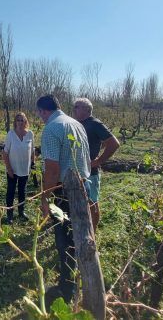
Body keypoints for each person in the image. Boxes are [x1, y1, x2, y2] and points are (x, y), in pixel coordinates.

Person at [36, 94, 92, 304]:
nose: (40, 118)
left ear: (43, 110)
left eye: (39, 113)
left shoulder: (52, 128)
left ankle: (67, 287)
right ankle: (78, 278)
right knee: (79, 235)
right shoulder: (77, 125)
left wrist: (44, 198)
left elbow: (52, 169)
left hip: (63, 191)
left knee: (64, 239)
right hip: (82, 187)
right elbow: (85, 159)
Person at [72, 98, 120, 227]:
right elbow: (102, 142)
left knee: (92, 203)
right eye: (75, 106)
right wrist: (98, 147)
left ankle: (93, 235)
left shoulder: (95, 123)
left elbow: (114, 143)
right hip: (79, 170)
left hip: (91, 172)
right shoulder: (78, 124)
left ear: (87, 109)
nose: (74, 109)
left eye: (77, 106)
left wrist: (98, 160)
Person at [2, 112, 35, 224]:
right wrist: (9, 169)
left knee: (22, 191)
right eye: (18, 120)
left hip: (25, 169)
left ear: (26, 122)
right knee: (10, 191)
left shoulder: (30, 134)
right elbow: (5, 153)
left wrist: (32, 165)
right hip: (13, 169)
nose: (20, 122)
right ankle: (9, 214)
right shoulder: (10, 134)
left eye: (22, 120)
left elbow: (33, 151)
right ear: (15, 122)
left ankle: (21, 211)